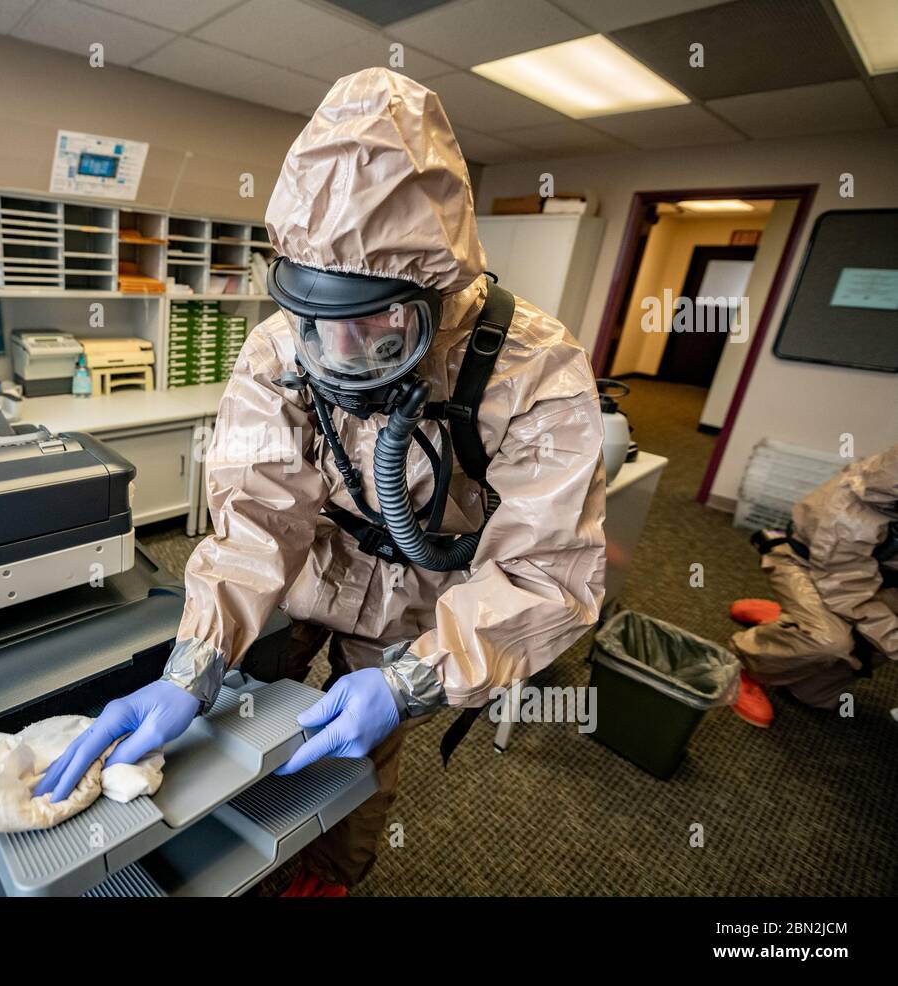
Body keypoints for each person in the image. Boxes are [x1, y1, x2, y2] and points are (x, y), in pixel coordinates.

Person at [36, 68, 607, 895]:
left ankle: (332, 878)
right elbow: (258, 517)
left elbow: (547, 573)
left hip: (419, 603)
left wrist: (416, 680)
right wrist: (187, 668)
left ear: (436, 291)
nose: (337, 354)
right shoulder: (281, 344)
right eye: (316, 320)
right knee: (237, 726)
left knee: (353, 773)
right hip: (304, 567)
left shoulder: (536, 370)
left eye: (375, 324)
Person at [729, 444, 898, 726]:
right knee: (832, 642)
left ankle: (791, 624)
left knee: (811, 693)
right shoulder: (851, 514)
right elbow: (849, 594)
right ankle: (743, 666)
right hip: (809, 568)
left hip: (868, 576)